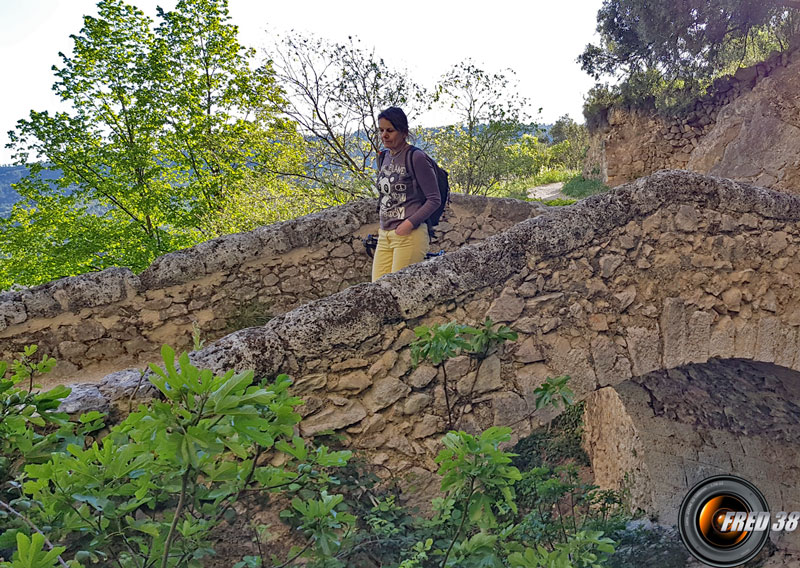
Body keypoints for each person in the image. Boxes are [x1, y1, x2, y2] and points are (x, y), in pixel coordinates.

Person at [371, 107, 441, 282]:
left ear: (403, 132)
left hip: (409, 235)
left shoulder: (416, 157)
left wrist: (408, 225)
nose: (384, 135)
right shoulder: (384, 157)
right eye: (381, 130)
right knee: (376, 293)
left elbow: (434, 199)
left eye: (390, 130)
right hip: (385, 235)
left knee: (398, 292)